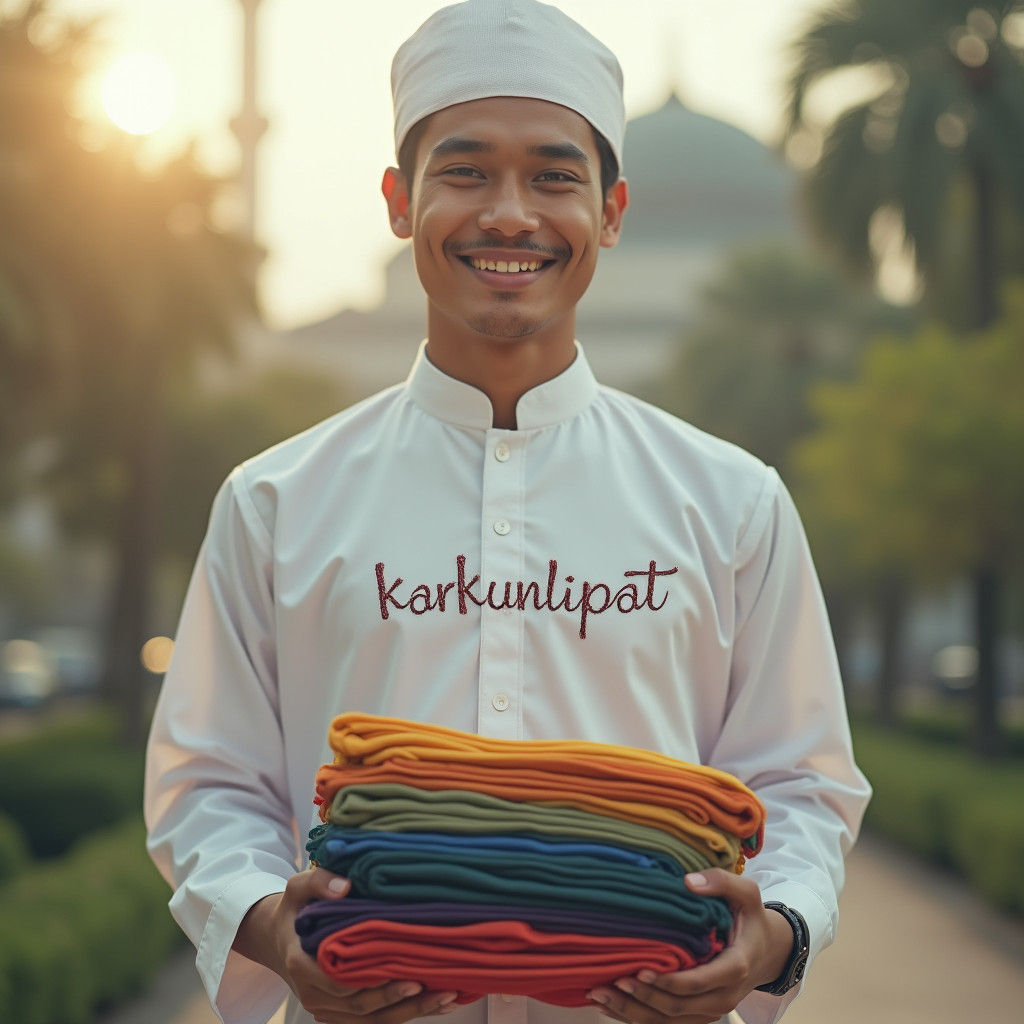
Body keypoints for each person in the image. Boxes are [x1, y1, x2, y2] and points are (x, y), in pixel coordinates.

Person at [144, 3, 871, 1024]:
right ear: (400, 200)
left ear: (613, 210)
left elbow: (799, 778)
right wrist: (275, 926)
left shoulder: (729, 499)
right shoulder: (277, 500)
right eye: (466, 170)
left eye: (555, 176)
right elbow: (208, 779)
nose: (510, 213)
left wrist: (775, 931)